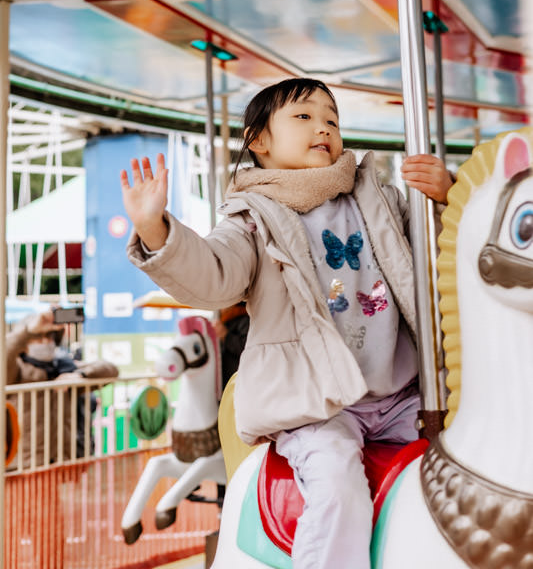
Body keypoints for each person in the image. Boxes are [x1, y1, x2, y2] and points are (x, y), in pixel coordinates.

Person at [121, 77, 453, 569]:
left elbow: (436, 254)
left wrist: (445, 198)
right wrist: (156, 229)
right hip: (316, 405)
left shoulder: (376, 198)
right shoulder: (253, 218)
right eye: (304, 116)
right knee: (338, 488)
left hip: (402, 395)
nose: (323, 127)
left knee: (465, 468)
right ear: (260, 141)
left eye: (332, 119)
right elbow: (214, 275)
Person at [6, 308, 119, 469]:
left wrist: (80, 375)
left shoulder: (64, 367)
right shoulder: (14, 370)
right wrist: (28, 330)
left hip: (59, 462)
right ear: (24, 345)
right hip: (22, 464)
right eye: (37, 339)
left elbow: (110, 369)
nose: (45, 342)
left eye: (49, 337)